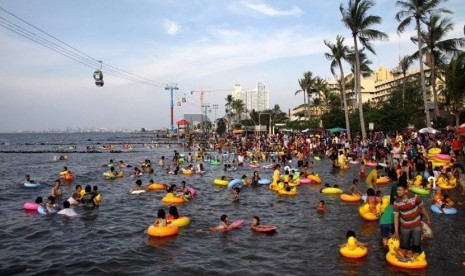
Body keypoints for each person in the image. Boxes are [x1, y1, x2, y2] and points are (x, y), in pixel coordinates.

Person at [393, 180, 432, 259]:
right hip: (405, 227)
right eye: (397, 190)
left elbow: (422, 208)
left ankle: (417, 259)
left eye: (400, 190)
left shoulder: (415, 197)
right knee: (404, 246)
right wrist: (396, 232)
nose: (398, 192)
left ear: (406, 190)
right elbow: (396, 217)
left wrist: (428, 219)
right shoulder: (396, 202)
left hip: (416, 225)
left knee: (416, 245)